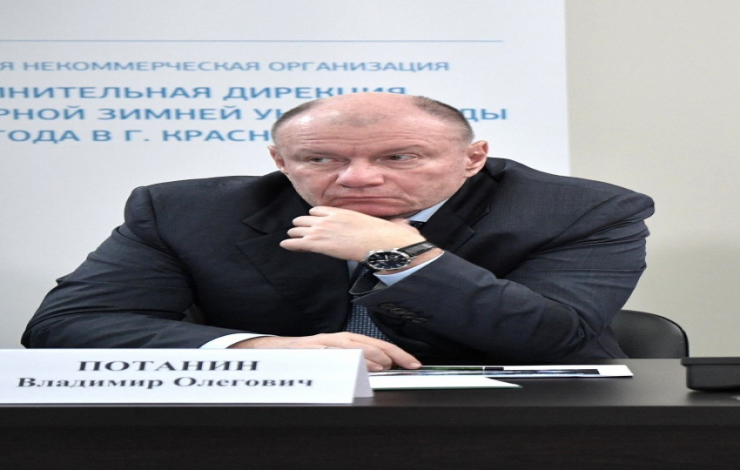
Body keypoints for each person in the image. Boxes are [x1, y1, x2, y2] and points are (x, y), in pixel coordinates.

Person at [22, 92, 654, 370]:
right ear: (281, 161)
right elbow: (67, 326)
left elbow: (550, 336)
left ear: (472, 158)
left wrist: (401, 253)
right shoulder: (183, 211)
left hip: (519, 426)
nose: (357, 178)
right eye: (320, 159)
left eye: (399, 157)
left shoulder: (582, 210)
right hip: (275, 430)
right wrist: (259, 349)